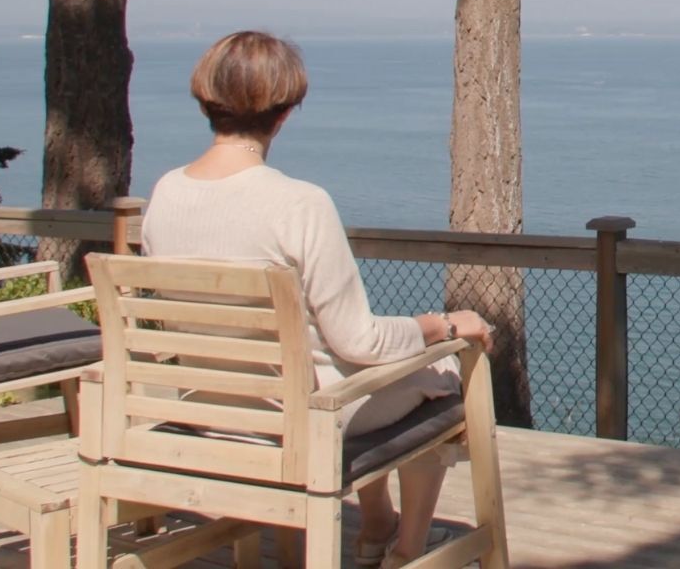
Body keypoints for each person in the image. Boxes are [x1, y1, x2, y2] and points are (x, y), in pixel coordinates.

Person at [140, 31, 493, 568]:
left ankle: (376, 523)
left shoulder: (164, 194)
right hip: (293, 424)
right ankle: (406, 550)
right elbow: (361, 338)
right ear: (284, 113)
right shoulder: (299, 205)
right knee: (438, 377)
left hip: (205, 412)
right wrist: (445, 324)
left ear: (206, 101)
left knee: (357, 370)